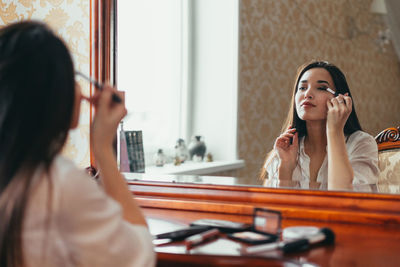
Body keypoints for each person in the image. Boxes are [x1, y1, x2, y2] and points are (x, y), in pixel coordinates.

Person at [0, 21, 155, 266]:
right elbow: (140, 256)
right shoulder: (59, 184)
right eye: (72, 77)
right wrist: (103, 147)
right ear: (51, 93)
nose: (80, 91)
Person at [260, 60, 379, 191]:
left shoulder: (361, 144)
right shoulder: (286, 149)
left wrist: (334, 131)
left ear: (341, 99)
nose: (307, 94)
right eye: (302, 88)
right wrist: (286, 167)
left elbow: (343, 201)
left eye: (321, 88)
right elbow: (277, 208)